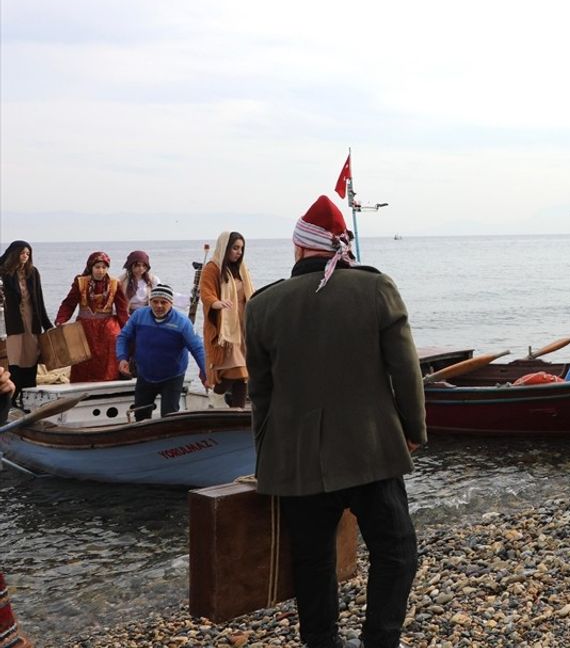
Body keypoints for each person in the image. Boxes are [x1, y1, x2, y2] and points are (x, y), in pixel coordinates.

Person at [245, 196, 425, 648]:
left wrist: (266, 456)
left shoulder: (263, 306)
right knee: (396, 551)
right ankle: (380, 641)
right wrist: (413, 431)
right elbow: (406, 370)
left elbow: (260, 393)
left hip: (295, 458)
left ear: (301, 248)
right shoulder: (375, 288)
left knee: (312, 558)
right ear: (337, 247)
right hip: (371, 450)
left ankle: (322, 643)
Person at [115, 284, 206, 420]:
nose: (159, 306)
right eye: (155, 301)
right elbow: (123, 337)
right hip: (145, 374)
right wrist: (122, 358)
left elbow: (197, 349)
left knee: (170, 417)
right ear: (150, 302)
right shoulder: (139, 315)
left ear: (171, 303)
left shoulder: (182, 323)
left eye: (164, 302)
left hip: (172, 376)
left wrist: (206, 372)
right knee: (140, 415)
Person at [55, 252, 129, 383]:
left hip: (107, 326)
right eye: (97, 267)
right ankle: (82, 384)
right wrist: (61, 319)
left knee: (111, 346)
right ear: (91, 267)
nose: (100, 270)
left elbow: (122, 309)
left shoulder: (114, 283)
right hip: (85, 326)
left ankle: (109, 382)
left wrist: (128, 329)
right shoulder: (80, 282)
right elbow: (69, 303)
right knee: (83, 356)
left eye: (104, 267)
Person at [200, 231, 254, 407]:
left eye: (241, 249)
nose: (238, 252)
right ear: (225, 247)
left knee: (243, 376)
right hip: (224, 326)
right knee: (235, 370)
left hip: (242, 326)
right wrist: (217, 303)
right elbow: (206, 292)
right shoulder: (212, 268)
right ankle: (215, 398)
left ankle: (238, 411)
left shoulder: (241, 269)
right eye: (235, 248)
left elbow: (250, 295)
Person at [1, 241, 53, 399]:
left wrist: (47, 324)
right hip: (13, 321)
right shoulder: (4, 272)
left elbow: (39, 299)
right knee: (16, 358)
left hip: (32, 318)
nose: (25, 256)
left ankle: (30, 395)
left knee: (31, 358)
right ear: (14, 253)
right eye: (22, 253)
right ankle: (15, 397)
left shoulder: (33, 272)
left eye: (28, 254)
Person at [119, 250, 158, 316]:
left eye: (143, 265)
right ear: (131, 265)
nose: (141, 268)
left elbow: (159, 294)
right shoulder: (122, 279)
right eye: (138, 265)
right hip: (128, 312)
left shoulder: (152, 279)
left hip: (147, 312)